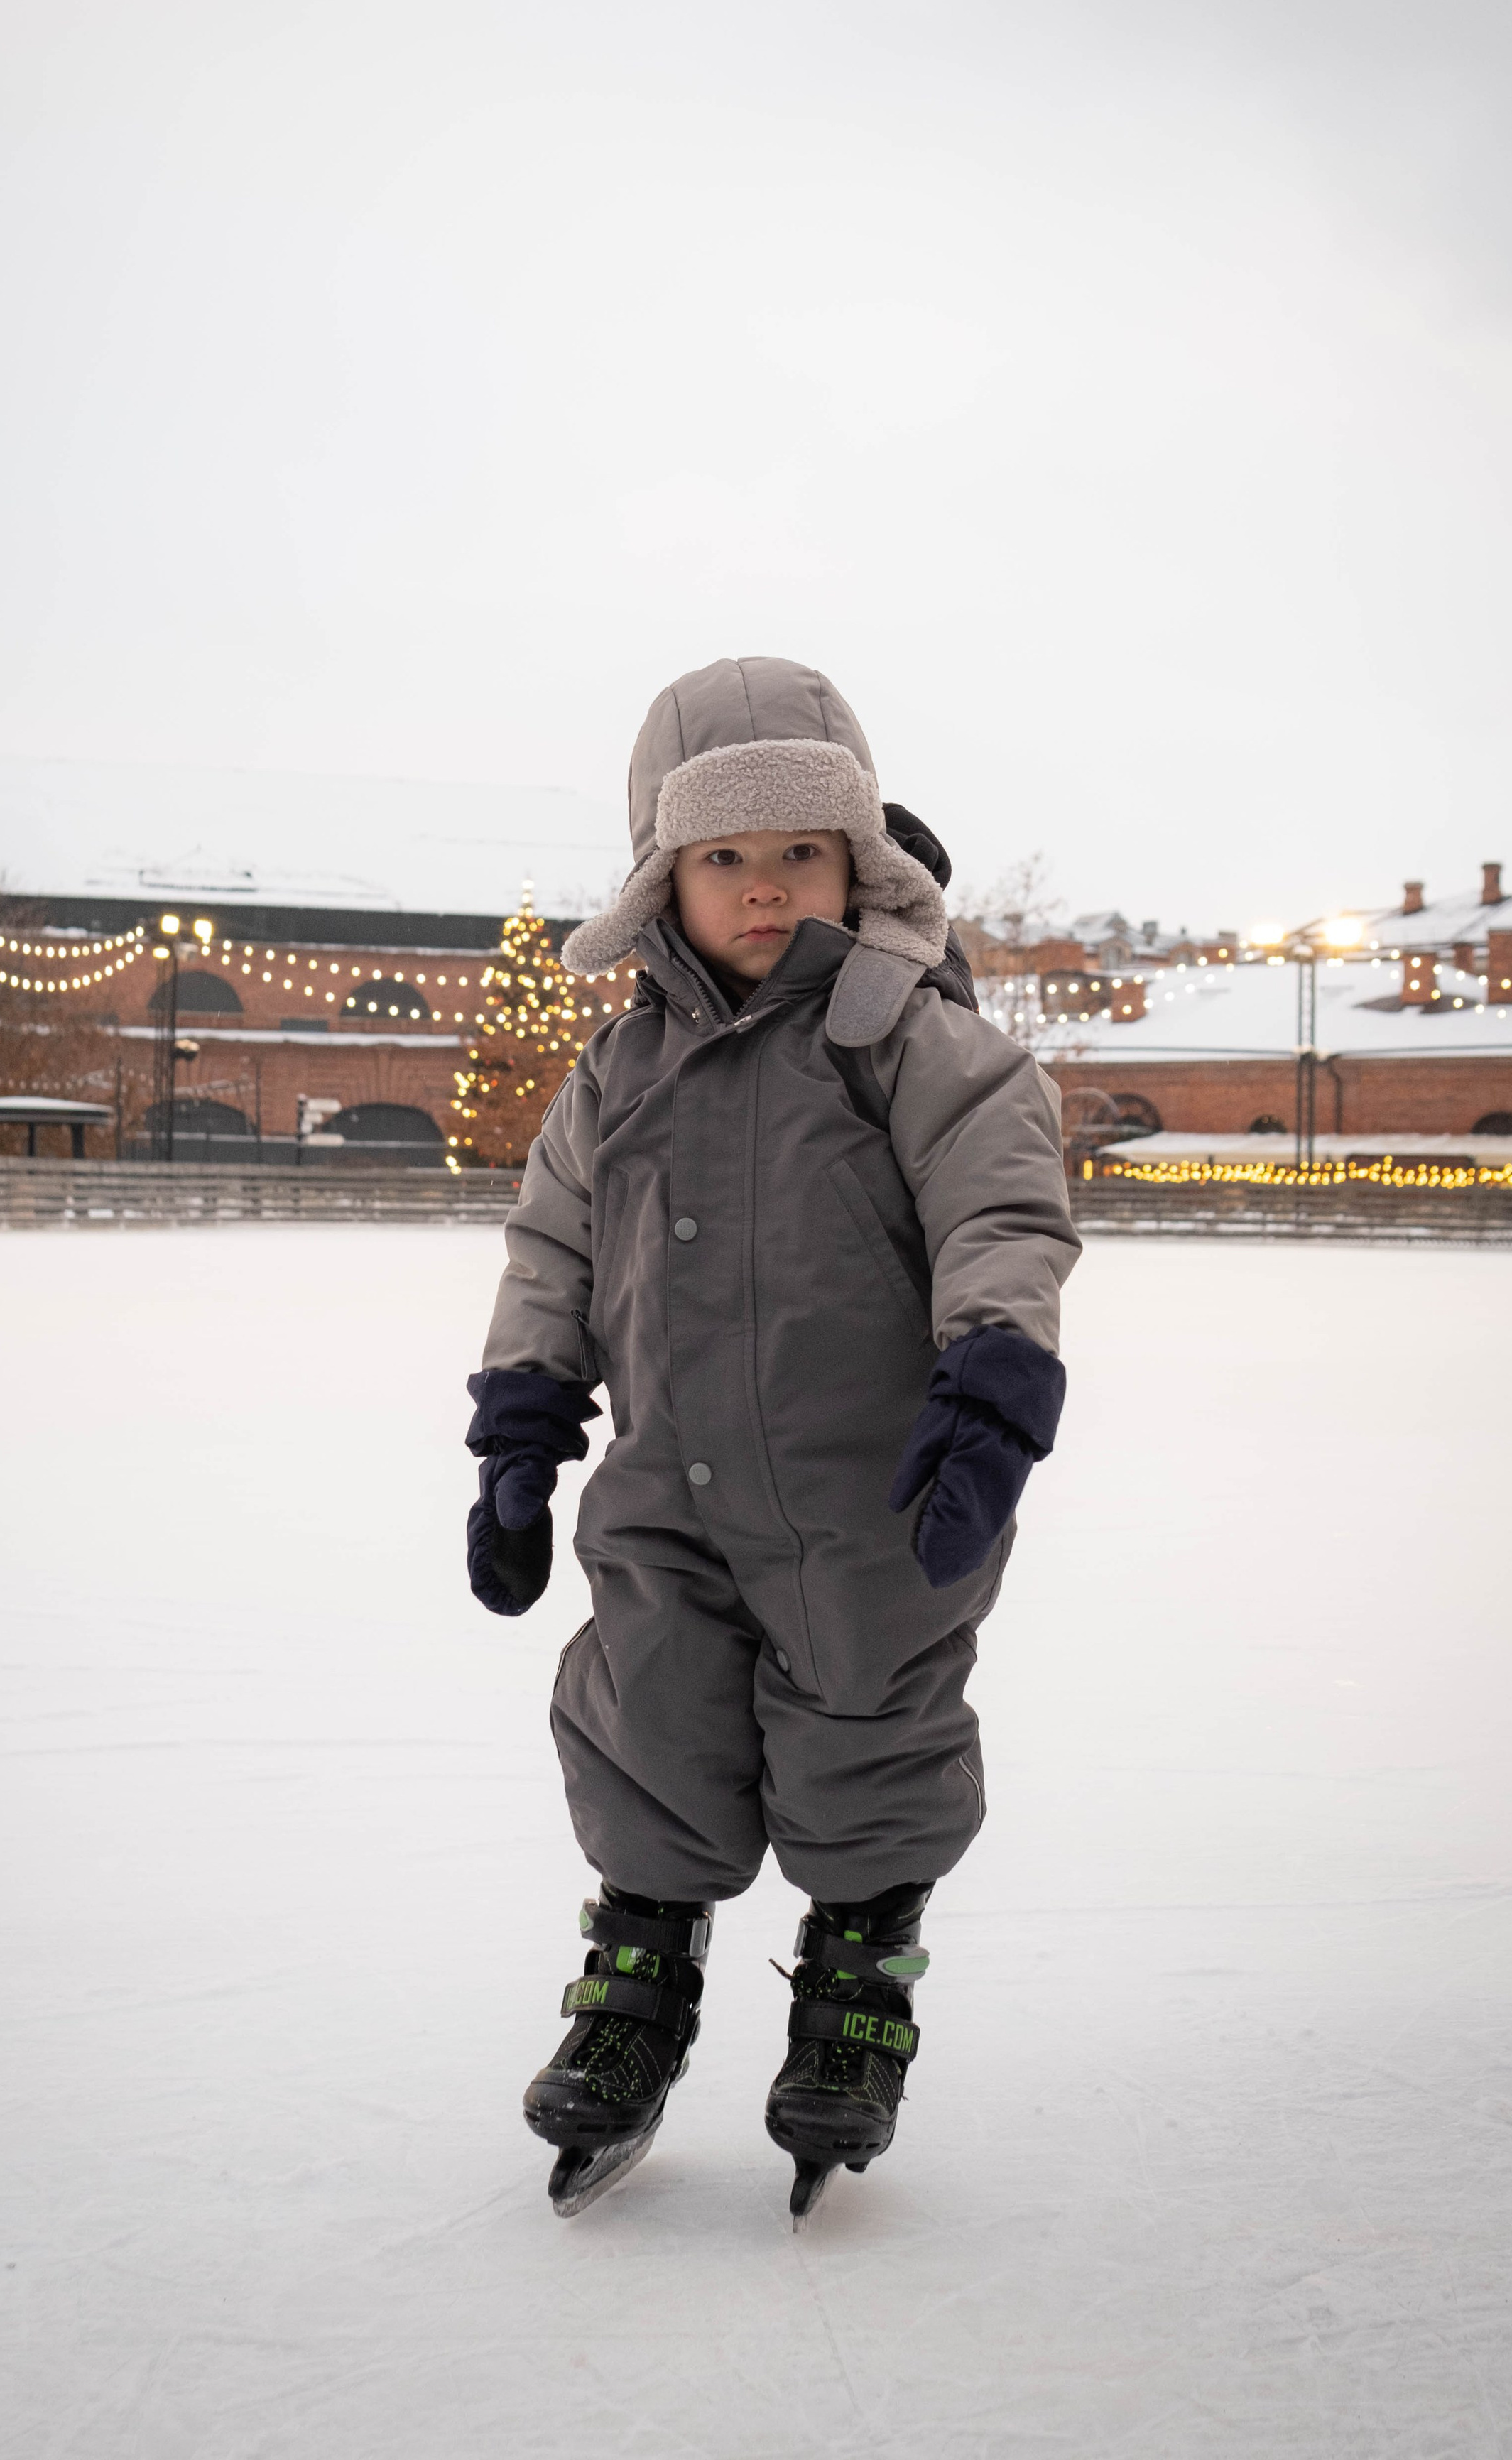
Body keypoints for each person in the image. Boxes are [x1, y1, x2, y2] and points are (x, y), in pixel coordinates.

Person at [464, 655, 1080, 2224]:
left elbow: (1001, 1209)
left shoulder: (911, 1040)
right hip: (665, 1486)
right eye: (720, 858)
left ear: (853, 864)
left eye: (794, 854)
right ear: (661, 878)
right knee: (644, 1725)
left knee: (869, 1728)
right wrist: (523, 1423)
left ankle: (855, 1990)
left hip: (877, 1496)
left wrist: (992, 1381)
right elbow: (549, 1254)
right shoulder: (618, 1072)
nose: (758, 889)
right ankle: (637, 1984)